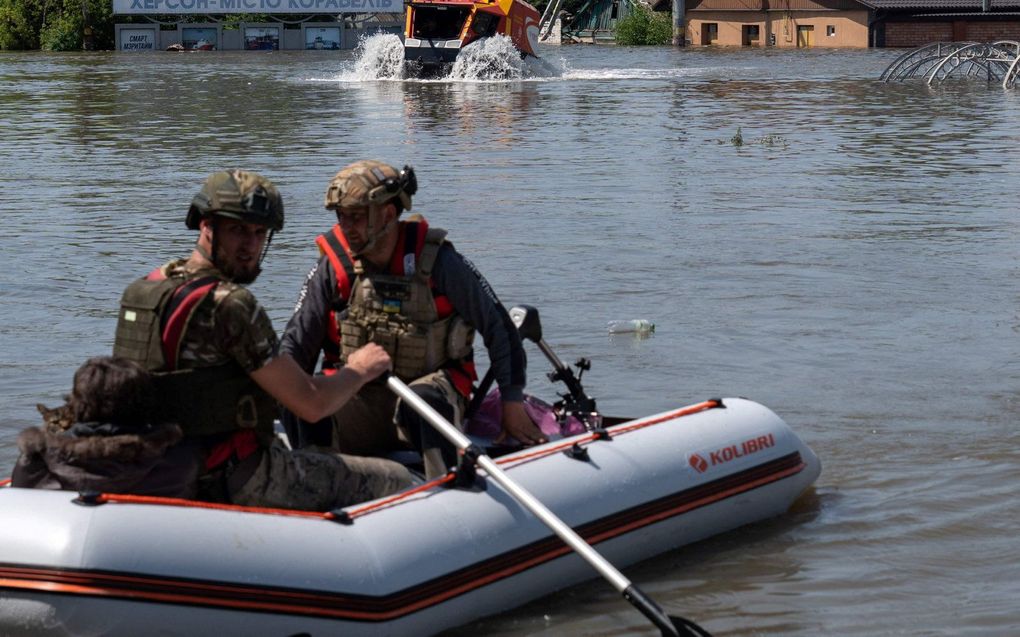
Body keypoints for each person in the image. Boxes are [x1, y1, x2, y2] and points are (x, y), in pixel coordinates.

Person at [110, 169, 414, 511]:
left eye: (259, 233)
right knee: (397, 478)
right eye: (238, 230)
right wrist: (359, 369)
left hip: (158, 468)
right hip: (232, 476)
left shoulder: (142, 290)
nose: (250, 247)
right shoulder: (231, 303)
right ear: (207, 226)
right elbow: (311, 404)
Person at [279, 160, 545, 479]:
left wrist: (511, 405)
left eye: (356, 216)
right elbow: (293, 349)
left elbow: (499, 327)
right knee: (298, 398)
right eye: (341, 216)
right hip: (357, 400)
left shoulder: (440, 262)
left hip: (428, 398)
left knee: (423, 401)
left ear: (389, 215)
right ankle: (317, 484)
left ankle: (448, 487)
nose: (345, 226)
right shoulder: (333, 268)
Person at [12, 356, 202, 498]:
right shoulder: (180, 460)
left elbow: (21, 509)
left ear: (77, 404)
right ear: (146, 404)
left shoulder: (37, 460)